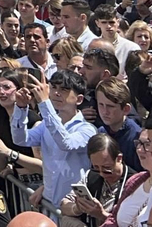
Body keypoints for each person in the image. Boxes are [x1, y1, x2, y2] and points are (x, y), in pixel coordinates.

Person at [11, 69, 95, 215]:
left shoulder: (88, 130)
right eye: (54, 88)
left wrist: (44, 104)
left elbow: (66, 143)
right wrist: (20, 108)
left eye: (64, 90)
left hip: (73, 209)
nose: (56, 93)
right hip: (48, 205)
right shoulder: (45, 124)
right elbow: (21, 139)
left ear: (79, 99)